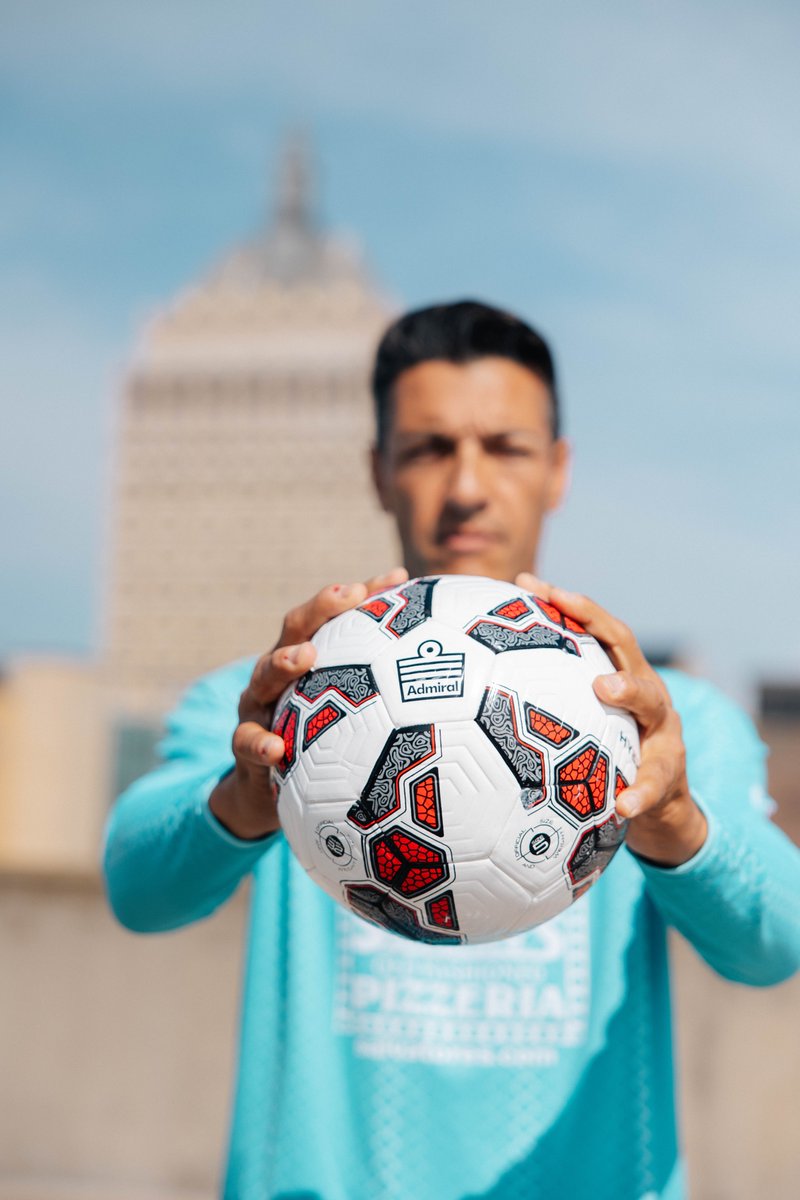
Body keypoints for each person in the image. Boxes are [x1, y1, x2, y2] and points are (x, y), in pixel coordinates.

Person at [104, 300, 800, 1200]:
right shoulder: (278, 700)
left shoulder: (663, 716)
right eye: (430, 449)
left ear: (557, 470)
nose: (467, 486)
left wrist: (673, 817)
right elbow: (137, 889)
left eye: (506, 448)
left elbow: (775, 944)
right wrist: (242, 798)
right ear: (379, 471)